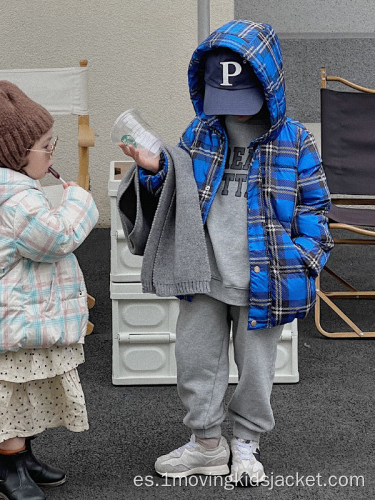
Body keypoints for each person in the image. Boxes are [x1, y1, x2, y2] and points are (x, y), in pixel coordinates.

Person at [116, 20, 333, 486]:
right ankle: (207, 445)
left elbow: (317, 208)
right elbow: (174, 194)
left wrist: (304, 259)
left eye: (243, 101)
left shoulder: (295, 140)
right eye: (223, 101)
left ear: (269, 84)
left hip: (266, 280)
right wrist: (153, 172)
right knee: (196, 359)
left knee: (256, 368)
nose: (232, 113)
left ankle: (247, 444)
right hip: (205, 274)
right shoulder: (201, 132)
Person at [0, 75, 99, 500]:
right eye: (46, 146)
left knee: (26, 385)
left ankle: (25, 456)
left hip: (14, 309)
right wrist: (78, 202)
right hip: (10, 314)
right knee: (10, 390)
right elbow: (57, 239)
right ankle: (9, 470)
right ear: (17, 155)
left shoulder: (5, 189)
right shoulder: (19, 201)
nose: (53, 152)